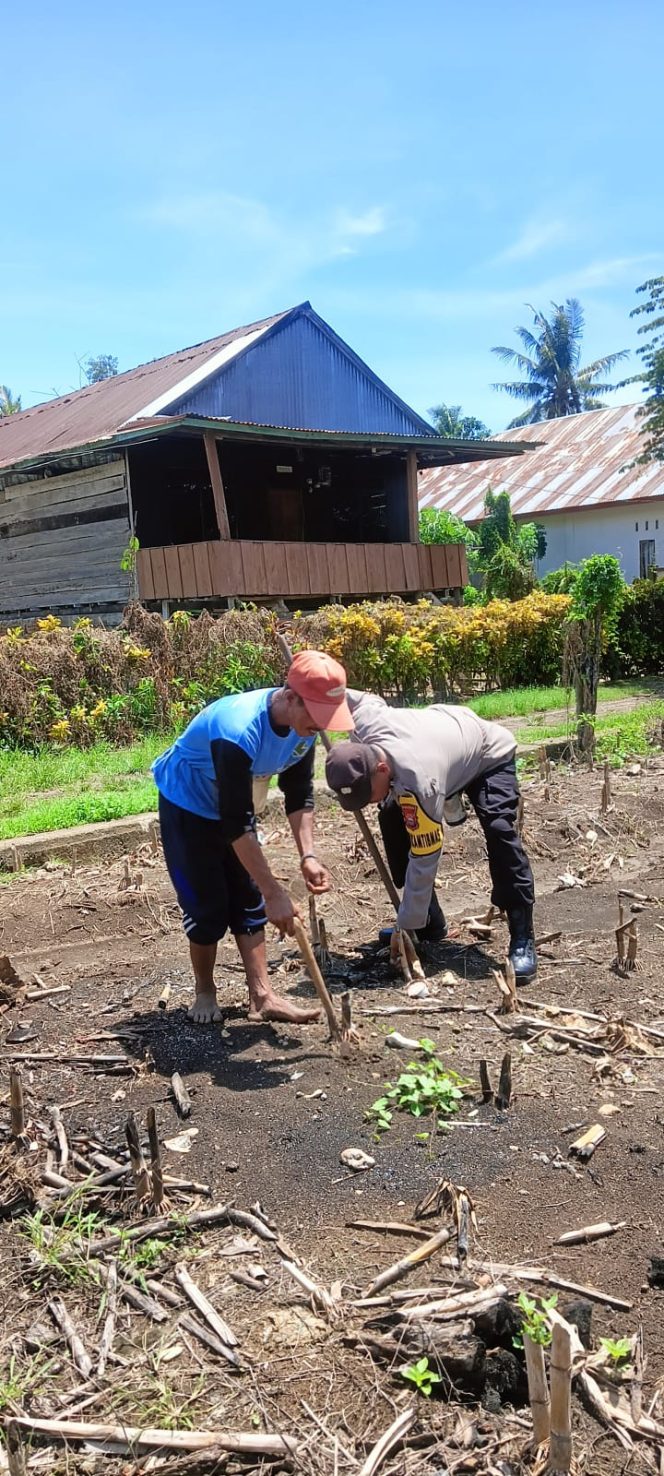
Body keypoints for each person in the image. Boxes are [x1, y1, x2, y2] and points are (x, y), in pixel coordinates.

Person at [152, 651, 353, 1023]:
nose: (321, 726)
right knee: (206, 903)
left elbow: (299, 795)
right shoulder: (238, 729)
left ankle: (262, 997)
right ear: (291, 698)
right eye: (317, 716)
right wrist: (274, 891)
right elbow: (235, 823)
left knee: (247, 899)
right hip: (188, 805)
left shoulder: (303, 731)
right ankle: (205, 993)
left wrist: (307, 854)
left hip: (234, 805)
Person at [325, 691, 537, 982]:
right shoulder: (363, 723)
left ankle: (522, 936)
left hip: (487, 754)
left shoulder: (420, 782)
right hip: (446, 742)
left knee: (500, 832)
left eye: (367, 793)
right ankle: (428, 924)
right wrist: (313, 692)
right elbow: (351, 696)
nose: (369, 801)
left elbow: (425, 858)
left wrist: (404, 927)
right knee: (389, 816)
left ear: (382, 768)